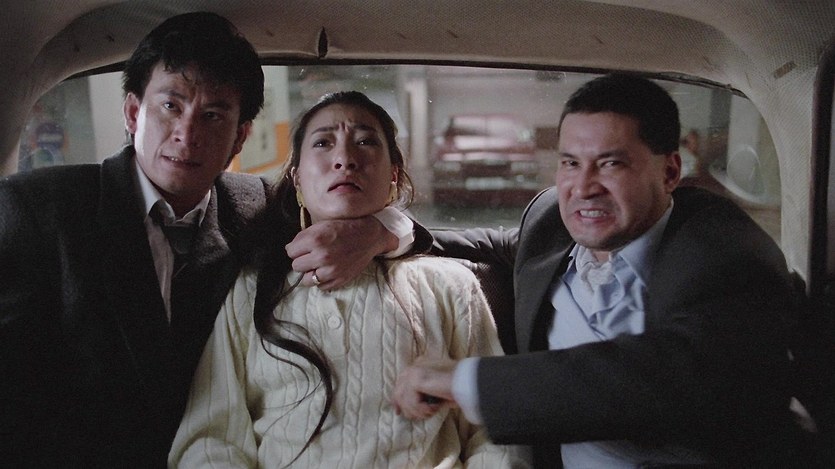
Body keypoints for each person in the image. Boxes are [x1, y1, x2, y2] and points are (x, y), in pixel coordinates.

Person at [0, 13, 423, 468]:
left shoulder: (255, 204)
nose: (188, 133)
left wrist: (377, 231)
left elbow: (456, 243)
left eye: (213, 115)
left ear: (240, 137)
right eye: (171, 106)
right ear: (133, 113)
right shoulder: (38, 210)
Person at [393, 74, 803, 467]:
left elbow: (670, 375)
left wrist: (466, 382)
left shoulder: (723, 250)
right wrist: (389, 233)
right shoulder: (550, 223)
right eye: (571, 163)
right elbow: (496, 243)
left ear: (670, 172)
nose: (584, 186)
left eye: (611, 164)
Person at [169, 91, 527, 468]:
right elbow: (211, 438)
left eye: (365, 142)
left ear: (393, 175)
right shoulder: (251, 289)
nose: (345, 159)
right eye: (323, 143)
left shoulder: (450, 287)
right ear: (297, 179)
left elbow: (495, 433)